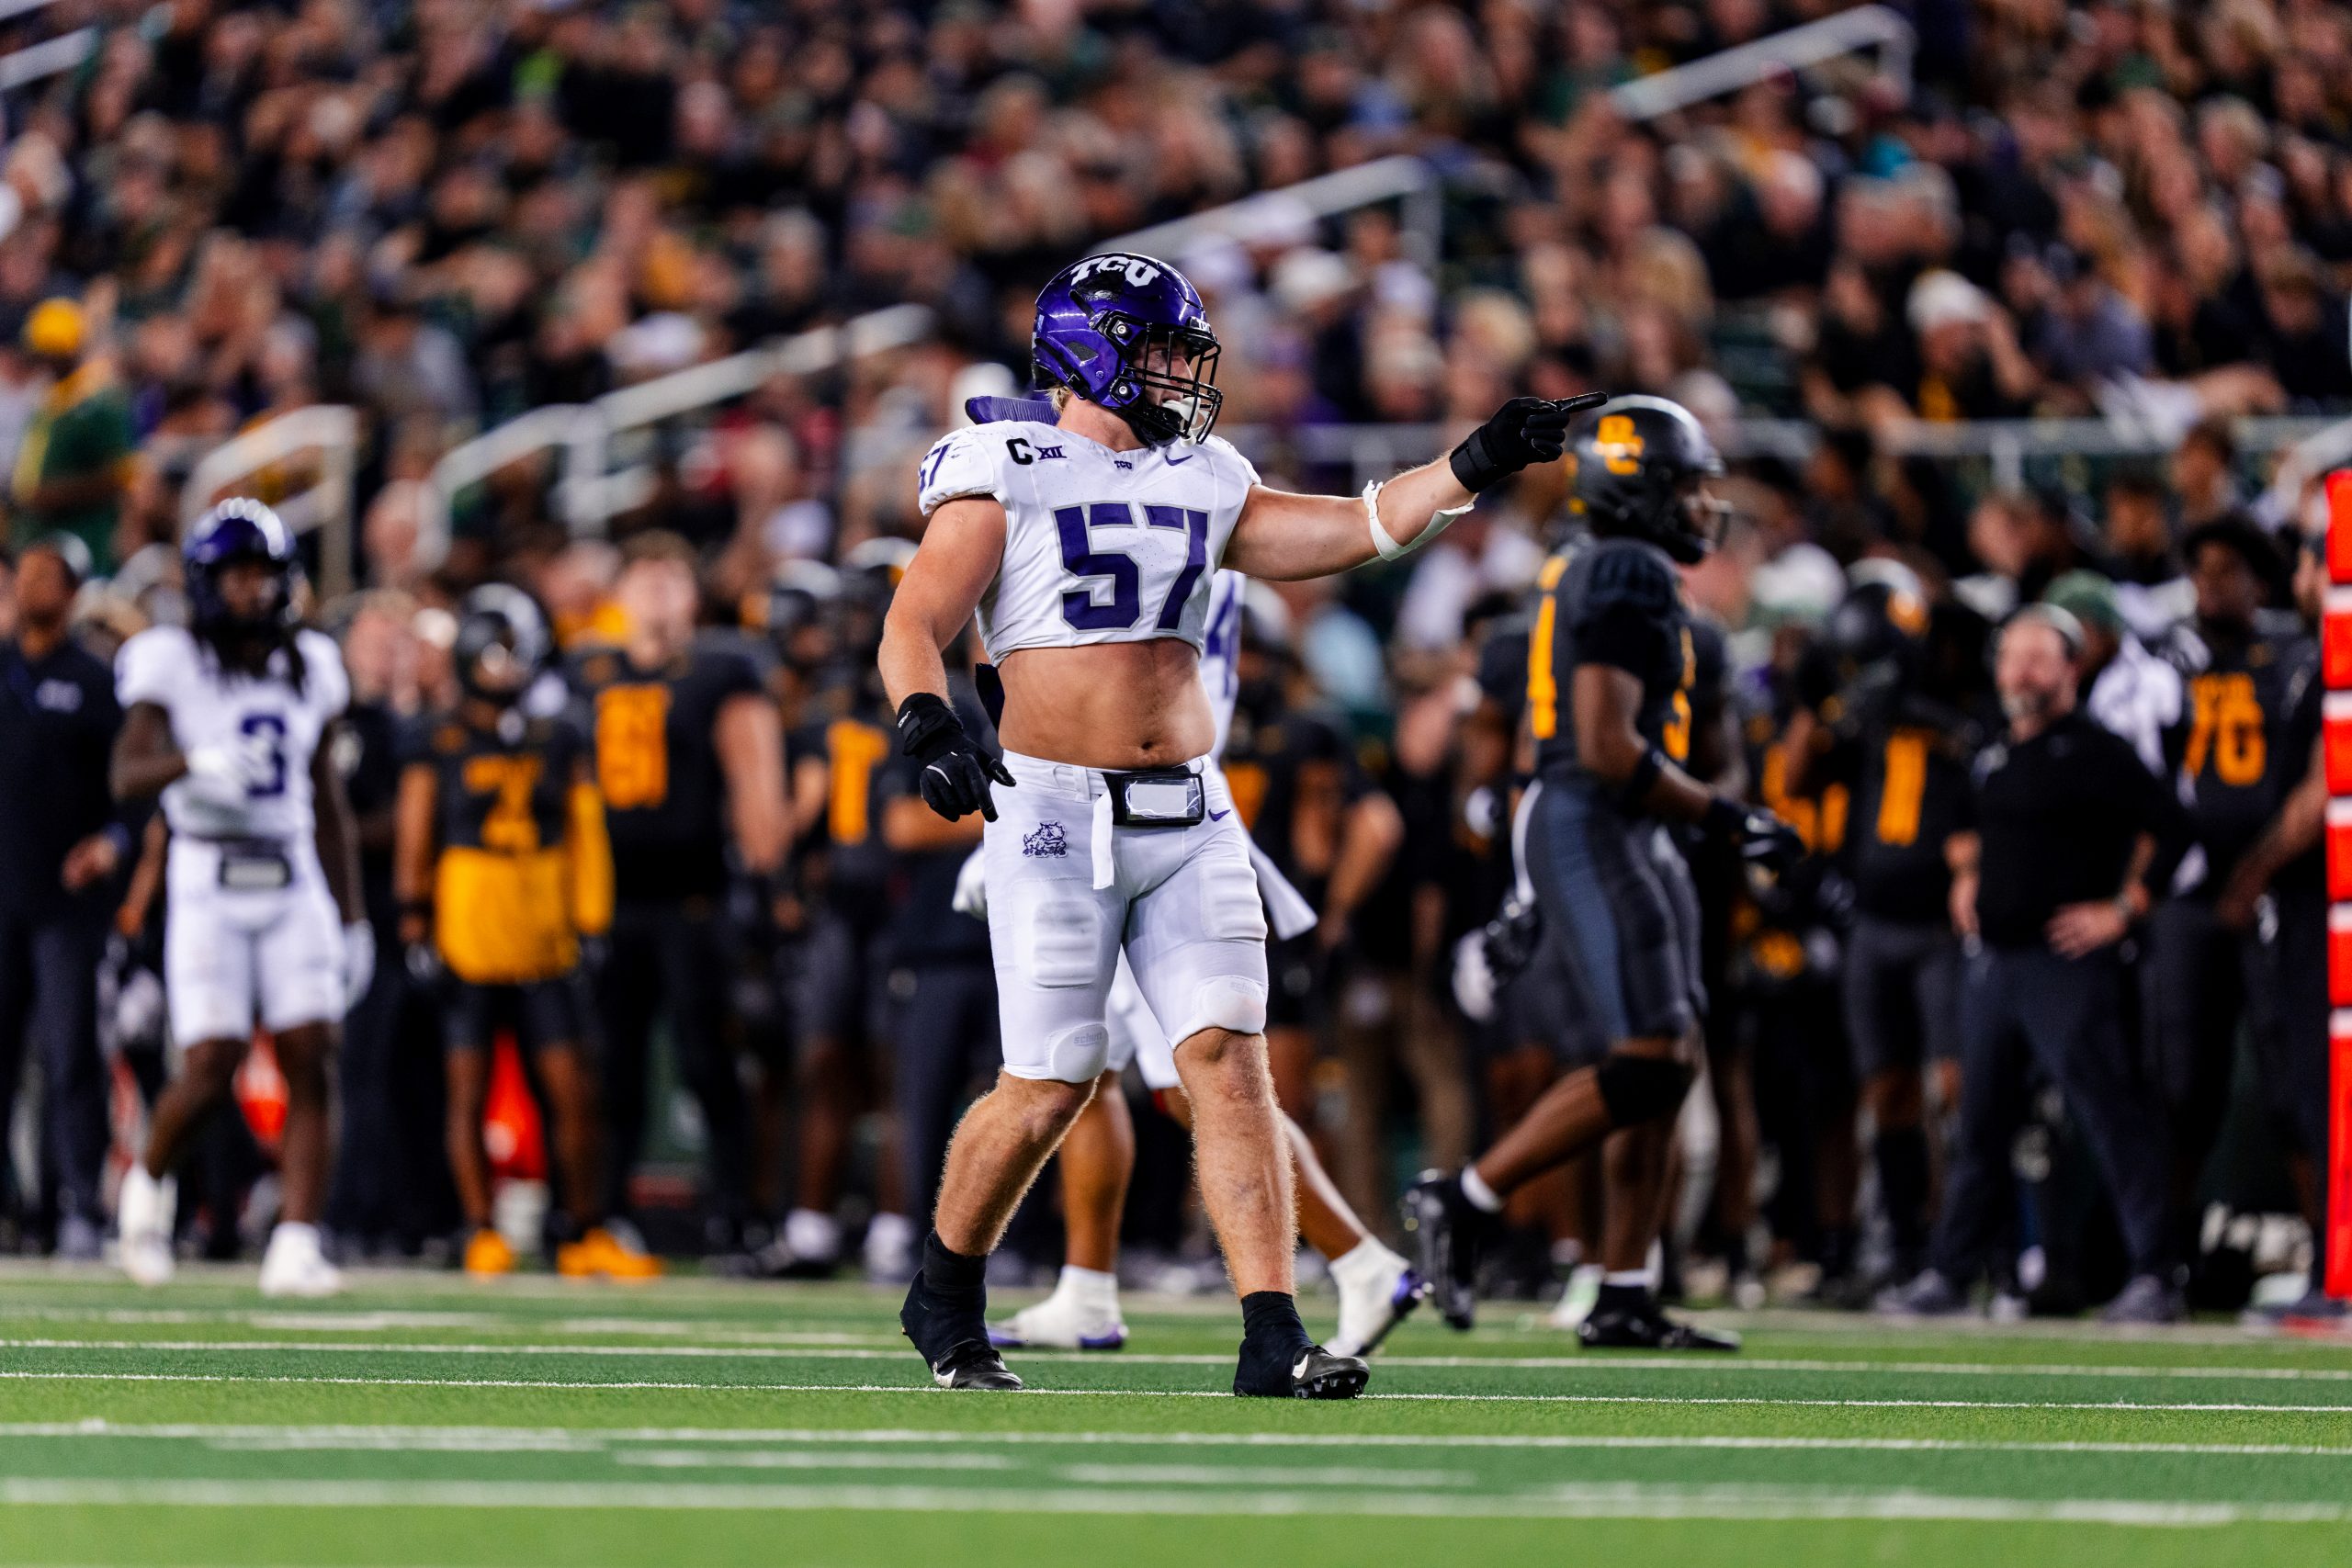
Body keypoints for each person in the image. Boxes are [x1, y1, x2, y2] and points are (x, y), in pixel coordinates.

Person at [878, 252, 1598, 1395]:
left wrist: (1478, 461)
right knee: (1048, 1086)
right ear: (1091, 350)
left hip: (1194, 811)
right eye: (1160, 348)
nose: (1180, 371)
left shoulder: (1204, 471)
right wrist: (927, 721)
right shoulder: (1003, 463)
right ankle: (945, 1290)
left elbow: (1353, 528)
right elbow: (916, 616)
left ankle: (1273, 1332)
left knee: (1228, 1066)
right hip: (1055, 810)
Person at [1400, 396, 1801, 1349]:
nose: (1703, 507)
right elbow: (1610, 748)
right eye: (1688, 487)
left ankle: (1625, 1284)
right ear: (1641, 489)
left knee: (1669, 1054)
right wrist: (1729, 814)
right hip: (1597, 815)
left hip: (1610, 820)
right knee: (1646, 1056)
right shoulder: (1624, 567)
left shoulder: (1589, 562)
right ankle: (1465, 1197)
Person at [977, 565, 1422, 1358]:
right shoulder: (1175, 515)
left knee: (1200, 1085)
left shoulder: (1170, 514)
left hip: (1143, 816)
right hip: (1118, 804)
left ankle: (1358, 1260)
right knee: (1092, 1063)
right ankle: (1087, 1284)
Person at [1883, 606, 2185, 1322]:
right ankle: (1952, 1273)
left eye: (2037, 658)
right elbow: (1964, 818)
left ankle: (2155, 1273)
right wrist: (1966, 875)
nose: (2020, 671)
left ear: (2071, 669)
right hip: (1996, 962)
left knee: (2111, 1115)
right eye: (2011, 656)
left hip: (2066, 963)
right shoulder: (1991, 747)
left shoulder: (2096, 750)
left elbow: (2173, 827)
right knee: (1980, 1123)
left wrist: (2124, 908)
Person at [109, 500, 368, 1295]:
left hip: (290, 870)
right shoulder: (170, 661)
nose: (253, 591)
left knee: (310, 1052)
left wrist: (353, 914)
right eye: (238, 575)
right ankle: (147, 1190)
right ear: (206, 582)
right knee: (213, 1061)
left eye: (264, 574)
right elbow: (126, 774)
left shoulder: (313, 664)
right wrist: (192, 763)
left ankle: (296, 1238)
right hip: (207, 872)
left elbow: (328, 799)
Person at [395, 585, 655, 1280]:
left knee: (573, 1092)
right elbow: (417, 830)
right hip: (471, 934)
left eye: (516, 653)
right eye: (497, 652)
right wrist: (412, 916)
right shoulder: (440, 734)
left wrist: (590, 918)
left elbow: (585, 829)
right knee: (468, 1090)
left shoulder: (559, 732)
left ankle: (583, 1229)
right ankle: (482, 1229)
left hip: (543, 934)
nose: (506, 666)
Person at [569, 532, 788, 1255]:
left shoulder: (720, 669)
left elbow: (758, 782)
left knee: (707, 1059)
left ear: (693, 594)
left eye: (671, 575)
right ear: (619, 593)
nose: (658, 588)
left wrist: (766, 875)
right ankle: (603, 1212)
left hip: (694, 898)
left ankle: (735, 1211)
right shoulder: (586, 671)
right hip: (609, 902)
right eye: (643, 574)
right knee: (613, 1065)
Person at [2144, 516, 2312, 1230]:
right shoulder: (2162, 657)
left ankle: (2324, 1251)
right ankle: (2164, 1255)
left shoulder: (2292, 656)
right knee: (2182, 1083)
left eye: (2226, 570)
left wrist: (2260, 870)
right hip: (2187, 892)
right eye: (2200, 570)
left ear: (2259, 579)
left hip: (2278, 886)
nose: (2209, 585)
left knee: (2291, 1082)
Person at [2213, 530, 2339, 1324]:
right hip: (2307, 909)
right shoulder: (2311, 657)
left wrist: (2250, 871)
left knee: (2330, 1090)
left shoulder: (2338, 659)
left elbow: (2329, 784)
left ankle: (2340, 1274)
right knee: (2306, 1092)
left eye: (2306, 562)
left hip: (2325, 909)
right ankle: (2332, 1266)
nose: (2298, 578)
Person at [0, 536, 134, 1256]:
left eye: (47, 575)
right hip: (3, 898)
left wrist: (112, 839)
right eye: (25, 573)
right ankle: (13, 1206)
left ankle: (80, 1200)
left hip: (65, 903)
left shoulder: (94, 680)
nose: (30, 585)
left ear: (75, 590)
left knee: (71, 1053)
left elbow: (131, 786)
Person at [11, 299, 132, 573]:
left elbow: (119, 477)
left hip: (84, 532)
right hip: (39, 532)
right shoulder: (51, 397)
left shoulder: (98, 402)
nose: (43, 362)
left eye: (50, 353)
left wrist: (52, 495)